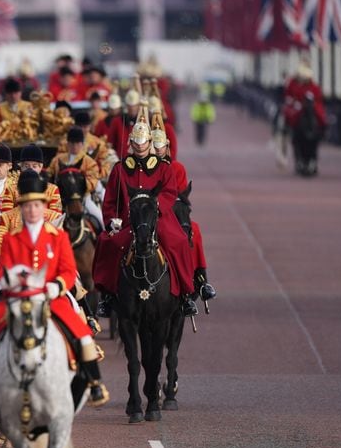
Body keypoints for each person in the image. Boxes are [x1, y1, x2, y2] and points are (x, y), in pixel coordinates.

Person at [0, 170, 109, 409]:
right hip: (18, 296)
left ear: (43, 206)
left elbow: (67, 270)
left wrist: (56, 287)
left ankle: (94, 382)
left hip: (50, 297)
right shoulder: (12, 237)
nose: (32, 211)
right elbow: (3, 267)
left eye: (36, 206)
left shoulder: (58, 236)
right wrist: (12, 282)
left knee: (82, 332)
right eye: (27, 206)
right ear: (21, 207)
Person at [93, 106, 198, 318]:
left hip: (157, 218)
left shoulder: (164, 167)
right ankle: (107, 295)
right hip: (128, 221)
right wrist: (111, 221)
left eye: (144, 144)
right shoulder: (120, 168)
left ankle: (186, 294)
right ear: (131, 143)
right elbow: (110, 199)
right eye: (136, 144)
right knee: (108, 243)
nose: (140, 148)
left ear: (150, 143)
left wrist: (155, 207)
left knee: (178, 243)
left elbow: (169, 192)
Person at [150, 114, 216, 302]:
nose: (157, 149)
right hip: (147, 214)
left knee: (193, 230)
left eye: (160, 146)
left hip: (171, 213)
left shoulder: (177, 168)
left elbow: (179, 195)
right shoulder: (143, 168)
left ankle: (200, 279)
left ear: (166, 147)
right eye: (154, 146)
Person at [59, 109, 113, 179]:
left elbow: (105, 163)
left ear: (89, 126)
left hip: (92, 177)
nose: (82, 130)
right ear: (74, 126)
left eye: (85, 127)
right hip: (68, 177)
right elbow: (60, 160)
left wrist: (97, 176)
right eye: (80, 126)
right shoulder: (65, 142)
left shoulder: (98, 143)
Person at [49, 127, 101, 194]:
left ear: (82, 144)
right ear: (67, 144)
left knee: (90, 204)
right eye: (72, 143)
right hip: (60, 194)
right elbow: (49, 174)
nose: (74, 146)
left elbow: (93, 180)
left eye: (77, 143)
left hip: (82, 195)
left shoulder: (90, 162)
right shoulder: (57, 159)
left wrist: (78, 185)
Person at [18, 143, 63, 212]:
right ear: (21, 166)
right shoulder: (11, 189)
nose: (30, 169)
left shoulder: (52, 190)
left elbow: (56, 217)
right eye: (26, 166)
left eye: (34, 166)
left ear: (41, 167)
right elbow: (6, 215)